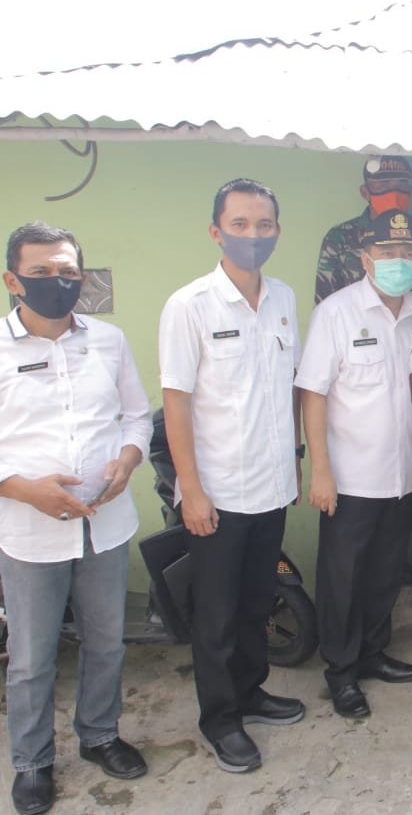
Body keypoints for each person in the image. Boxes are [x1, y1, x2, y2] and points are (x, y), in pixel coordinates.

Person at [0, 222, 153, 814]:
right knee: (32, 659)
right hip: (30, 534)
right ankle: (32, 762)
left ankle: (100, 735)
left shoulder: (108, 340)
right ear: (13, 281)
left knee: (106, 643)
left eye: (68, 272)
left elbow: (137, 417)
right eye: (41, 273)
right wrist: (25, 490)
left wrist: (128, 460)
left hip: (105, 525)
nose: (58, 282)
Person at [159, 178, 306, 774]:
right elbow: (176, 403)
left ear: (277, 232)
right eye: (240, 224)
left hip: (272, 486)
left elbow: (288, 386)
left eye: (263, 225)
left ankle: (251, 692)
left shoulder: (284, 299)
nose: (253, 235)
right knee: (216, 615)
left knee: (255, 603)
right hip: (216, 494)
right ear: (216, 232)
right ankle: (221, 719)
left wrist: (295, 460)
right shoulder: (189, 305)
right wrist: (191, 490)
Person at [298, 210, 412, 719]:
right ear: (365, 258)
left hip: (402, 472)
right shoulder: (336, 312)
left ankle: (374, 653)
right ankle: (341, 671)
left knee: (384, 573)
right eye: (389, 251)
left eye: (409, 252)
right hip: (350, 477)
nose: (400, 260)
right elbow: (313, 393)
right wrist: (320, 470)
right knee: (343, 579)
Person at [314, 155, 412, 408]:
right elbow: (324, 305)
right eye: (383, 185)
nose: (394, 192)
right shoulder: (341, 238)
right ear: (365, 192)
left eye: (402, 185)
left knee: (411, 423)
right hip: (358, 363)